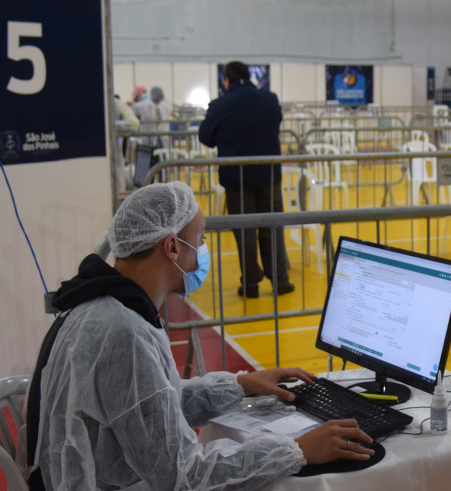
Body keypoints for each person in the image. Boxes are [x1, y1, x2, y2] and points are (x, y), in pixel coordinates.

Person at [26, 182, 374, 489]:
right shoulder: (124, 333)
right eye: (200, 238)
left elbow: (149, 409)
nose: (203, 251)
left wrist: (240, 385)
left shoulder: (102, 305)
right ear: (172, 247)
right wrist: (297, 450)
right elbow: (184, 479)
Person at [198, 61, 294, 298]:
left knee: (245, 231)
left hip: (237, 178)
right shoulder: (269, 99)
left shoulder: (220, 105)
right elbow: (275, 125)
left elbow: (205, 137)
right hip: (268, 175)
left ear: (227, 80)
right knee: (272, 226)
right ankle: (279, 278)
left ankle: (251, 284)